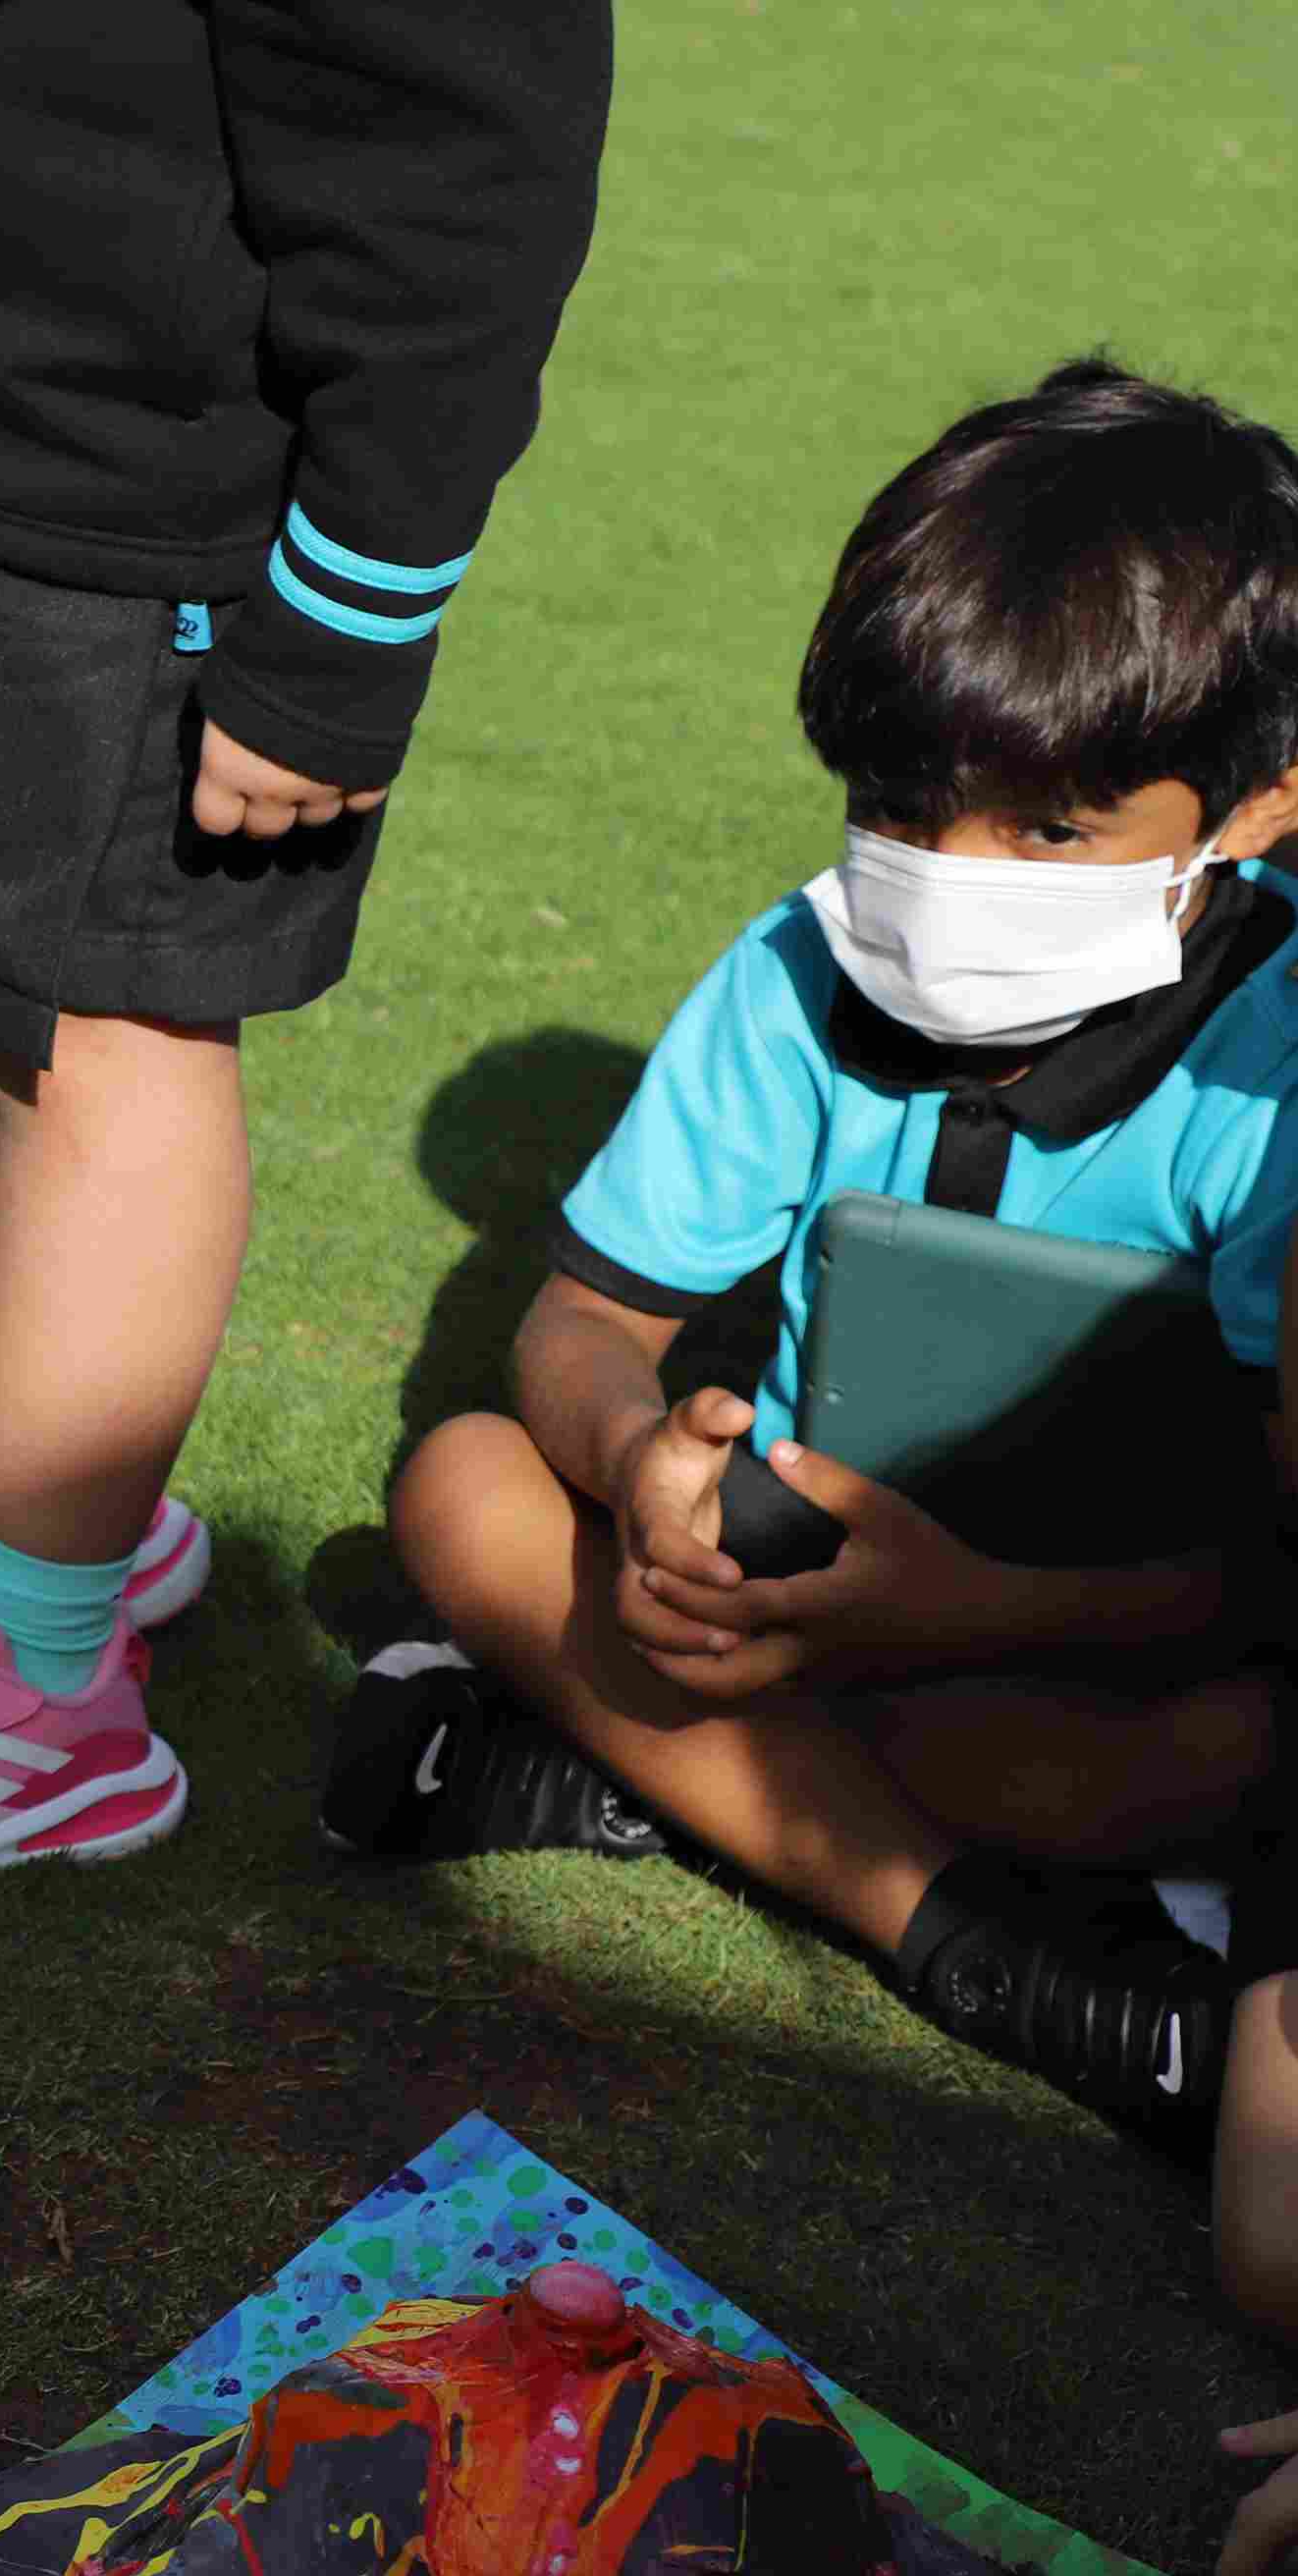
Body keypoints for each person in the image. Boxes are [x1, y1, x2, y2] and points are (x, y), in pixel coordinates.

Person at [0, 0, 610, 1904]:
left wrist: (342, 632)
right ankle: (10, 1468)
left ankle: (41, 1679)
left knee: (105, 1033)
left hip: (164, 516)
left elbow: (467, 169)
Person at [323, 364, 1298, 2156]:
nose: (947, 872)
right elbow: (585, 1321)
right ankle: (980, 1946)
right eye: (904, 799)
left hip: (1090, 1649)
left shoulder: (1274, 1065)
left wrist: (976, 1606)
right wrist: (639, 1459)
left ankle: (624, 1779)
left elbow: (1267, 1559)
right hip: (776, 1605)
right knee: (464, 1484)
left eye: (1052, 828)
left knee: (1235, 1744)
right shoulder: (797, 968)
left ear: (1256, 806)